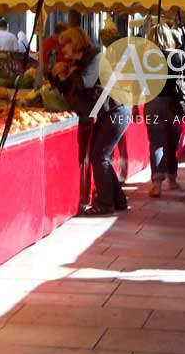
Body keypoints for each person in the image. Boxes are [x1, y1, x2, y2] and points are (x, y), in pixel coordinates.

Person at [49, 26, 131, 215]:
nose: (63, 50)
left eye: (65, 46)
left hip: (116, 111)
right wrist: (55, 76)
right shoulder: (81, 63)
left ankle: (105, 204)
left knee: (99, 156)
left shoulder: (95, 58)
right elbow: (68, 89)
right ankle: (118, 200)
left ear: (74, 43)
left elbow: (83, 84)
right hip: (106, 113)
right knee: (101, 155)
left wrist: (68, 71)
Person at [144, 21, 185, 197]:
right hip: (175, 104)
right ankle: (172, 179)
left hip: (153, 102)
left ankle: (157, 184)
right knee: (173, 142)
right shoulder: (180, 56)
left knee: (156, 143)